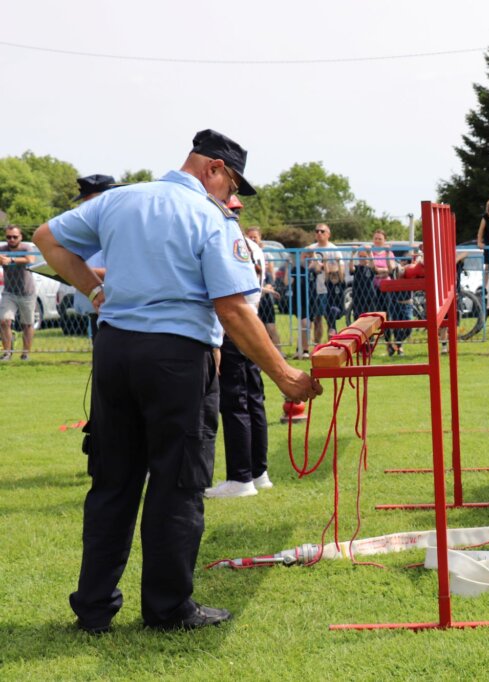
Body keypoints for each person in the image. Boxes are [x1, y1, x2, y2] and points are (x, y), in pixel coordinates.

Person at [34, 128, 321, 634]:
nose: (231, 198)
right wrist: (284, 374)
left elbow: (46, 238)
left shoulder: (121, 199)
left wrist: (97, 294)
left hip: (116, 349)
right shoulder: (210, 218)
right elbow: (233, 307)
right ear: (212, 168)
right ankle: (168, 609)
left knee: (113, 481)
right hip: (176, 358)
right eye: (231, 185)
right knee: (178, 482)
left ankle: (95, 607)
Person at [207, 224, 273, 499]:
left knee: (235, 403)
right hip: (251, 324)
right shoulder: (253, 246)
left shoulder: (226, 242)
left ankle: (240, 477)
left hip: (233, 326)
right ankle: (258, 473)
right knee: (254, 401)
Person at [69, 175, 127, 339]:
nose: (84, 207)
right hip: (97, 307)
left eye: (89, 202)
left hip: (118, 310)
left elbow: (121, 271)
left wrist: (78, 271)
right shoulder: (91, 230)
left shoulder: (119, 228)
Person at [300, 223, 342, 355]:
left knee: (330, 319)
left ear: (328, 234)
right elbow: (303, 266)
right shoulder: (311, 249)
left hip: (328, 288)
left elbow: (339, 269)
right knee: (317, 319)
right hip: (313, 288)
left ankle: (331, 348)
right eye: (317, 231)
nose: (319, 233)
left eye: (322, 231)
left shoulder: (334, 249)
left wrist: (323, 267)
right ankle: (317, 347)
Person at [1, 225, 38, 360]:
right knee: (4, 321)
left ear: (20, 237)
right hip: (9, 292)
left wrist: (11, 260)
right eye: (8, 237)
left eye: (14, 237)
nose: (11, 239)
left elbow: (30, 260)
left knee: (27, 324)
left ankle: (25, 353)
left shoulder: (26, 248)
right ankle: (7, 353)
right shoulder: (2, 249)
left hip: (27, 292)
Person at [245, 226, 282, 351]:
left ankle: (279, 352)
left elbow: (271, 275)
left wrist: (268, 287)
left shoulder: (267, 255)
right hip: (251, 296)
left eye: (255, 237)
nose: (253, 239)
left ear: (260, 238)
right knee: (254, 326)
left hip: (265, 295)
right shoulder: (245, 253)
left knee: (270, 326)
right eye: (250, 237)